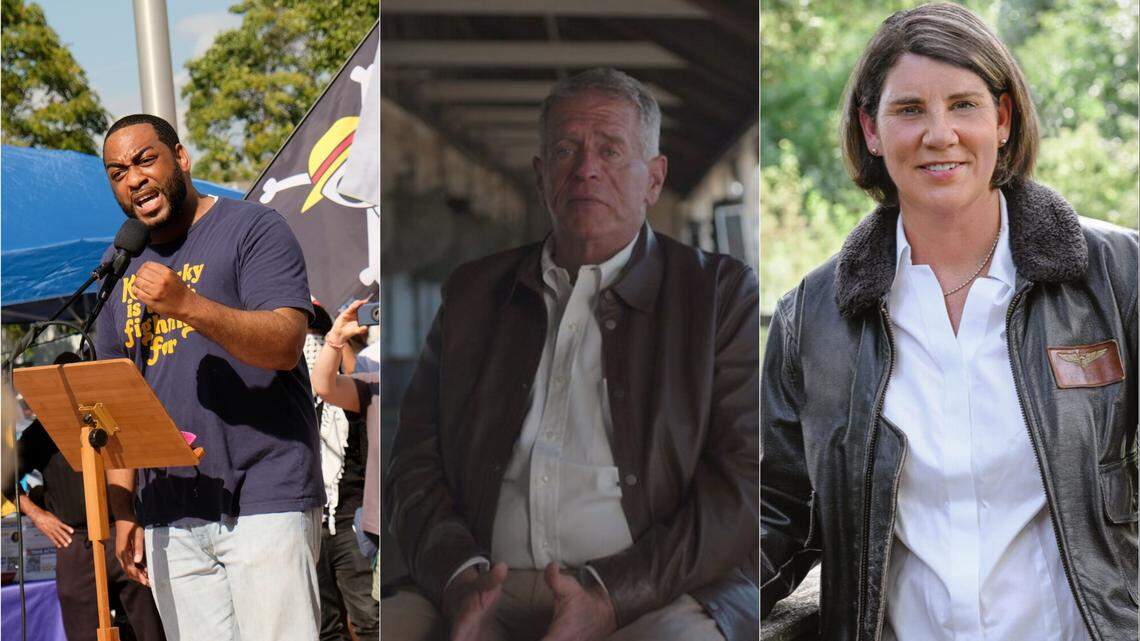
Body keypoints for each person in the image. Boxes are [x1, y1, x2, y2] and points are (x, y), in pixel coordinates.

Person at [760, 4, 1137, 640]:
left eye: (963, 104)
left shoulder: (1117, 276)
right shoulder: (813, 318)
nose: (940, 134)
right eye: (909, 110)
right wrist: (683, 606)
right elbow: (775, 513)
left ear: (1003, 118)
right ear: (871, 130)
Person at [382, 68, 759, 641]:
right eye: (565, 149)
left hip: (653, 592)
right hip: (481, 585)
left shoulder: (718, 296)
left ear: (654, 179)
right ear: (541, 175)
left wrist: (612, 595)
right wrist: (457, 575)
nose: (586, 167)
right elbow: (414, 460)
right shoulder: (474, 293)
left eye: (610, 150)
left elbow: (744, 480)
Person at [96, 113, 325, 641]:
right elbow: (118, 395)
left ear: (180, 158)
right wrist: (122, 507)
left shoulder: (253, 227)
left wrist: (188, 305)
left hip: (264, 495)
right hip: (169, 508)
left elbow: (287, 345)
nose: (133, 178)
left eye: (144, 160)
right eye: (117, 172)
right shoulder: (119, 262)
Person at [17, 352, 166, 641]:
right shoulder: (42, 430)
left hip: (124, 529)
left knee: (150, 627)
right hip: (74, 540)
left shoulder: (112, 419)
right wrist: (37, 515)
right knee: (83, 632)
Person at [304, 303, 379, 641]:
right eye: (304, 339)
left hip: (351, 521)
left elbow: (331, 383)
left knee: (369, 620)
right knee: (324, 625)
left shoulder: (356, 391)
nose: (311, 345)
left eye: (315, 337)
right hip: (312, 522)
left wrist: (338, 339)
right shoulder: (295, 404)